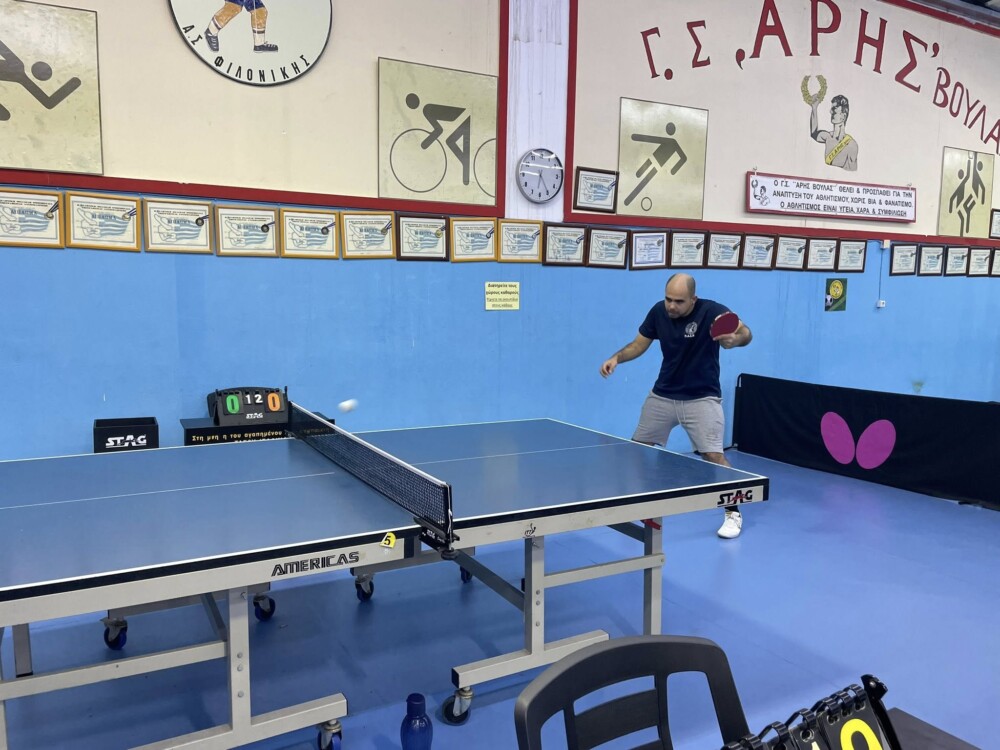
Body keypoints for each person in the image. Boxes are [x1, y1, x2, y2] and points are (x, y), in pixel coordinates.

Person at [600, 273, 753, 538]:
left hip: (702, 397)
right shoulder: (658, 312)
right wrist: (617, 358)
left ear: (693, 299)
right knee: (637, 450)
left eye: (679, 301)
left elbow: (746, 333)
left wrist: (735, 340)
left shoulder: (712, 311)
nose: (671, 305)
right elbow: (638, 344)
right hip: (664, 395)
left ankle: (732, 512)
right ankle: (636, 504)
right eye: (668, 299)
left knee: (714, 457)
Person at [809, 94, 858, 171]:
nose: (830, 111)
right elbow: (813, 133)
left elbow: (852, 173)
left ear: (843, 116)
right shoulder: (827, 136)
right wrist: (814, 108)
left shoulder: (851, 145)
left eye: (834, 109)